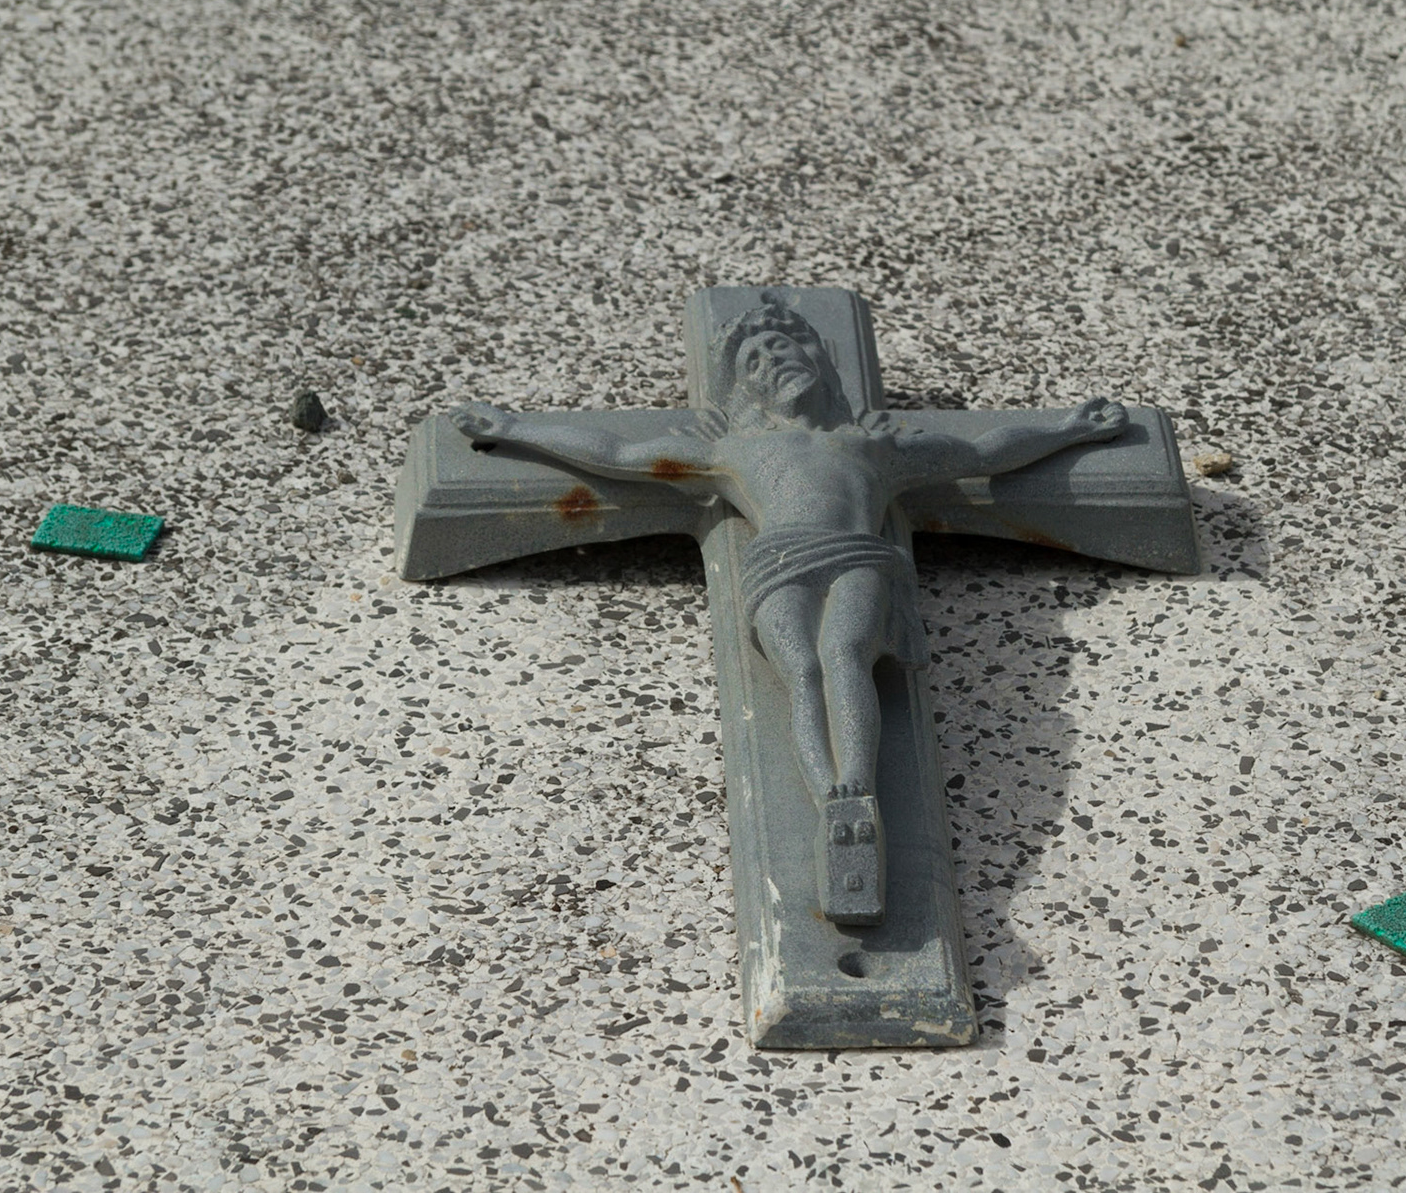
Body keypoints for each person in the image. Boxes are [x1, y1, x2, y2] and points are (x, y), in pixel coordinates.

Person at [452, 296, 1127, 922]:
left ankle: (857, 788)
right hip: (778, 562)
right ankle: (829, 798)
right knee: (801, 669)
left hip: (857, 553)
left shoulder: (873, 445)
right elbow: (621, 456)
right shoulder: (734, 450)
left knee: (846, 653)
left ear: (816, 362)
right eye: (754, 360)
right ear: (746, 389)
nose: (773, 361)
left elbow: (984, 452)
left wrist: (1068, 429)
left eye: (782, 347)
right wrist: (514, 429)